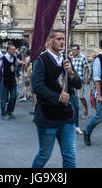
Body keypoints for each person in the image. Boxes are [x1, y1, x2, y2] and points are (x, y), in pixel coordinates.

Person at [31, 30, 81, 168]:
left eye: (63, 39)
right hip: (48, 116)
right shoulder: (41, 60)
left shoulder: (66, 59)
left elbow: (78, 84)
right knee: (44, 155)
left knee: (70, 156)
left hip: (66, 116)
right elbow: (37, 86)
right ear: (50, 40)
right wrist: (58, 97)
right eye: (59, 39)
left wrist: (71, 73)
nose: (62, 42)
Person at [0, 43, 18, 120]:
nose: (15, 51)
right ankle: (3, 114)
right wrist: (0, 76)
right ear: (9, 50)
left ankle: (9, 111)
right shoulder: (3, 58)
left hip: (12, 80)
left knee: (14, 96)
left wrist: (14, 72)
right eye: (13, 50)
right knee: (4, 98)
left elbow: (16, 66)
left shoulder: (14, 57)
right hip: (4, 80)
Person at [71, 44, 90, 118]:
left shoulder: (82, 57)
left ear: (78, 50)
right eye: (73, 50)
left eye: (75, 50)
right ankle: (75, 110)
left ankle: (86, 110)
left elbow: (87, 67)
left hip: (80, 81)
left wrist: (87, 78)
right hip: (73, 81)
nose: (74, 51)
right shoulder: (71, 58)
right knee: (74, 97)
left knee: (81, 97)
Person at [68, 50, 83, 135]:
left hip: (70, 90)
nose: (71, 56)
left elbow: (78, 84)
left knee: (75, 108)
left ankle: (76, 127)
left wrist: (71, 73)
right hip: (60, 92)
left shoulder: (67, 61)